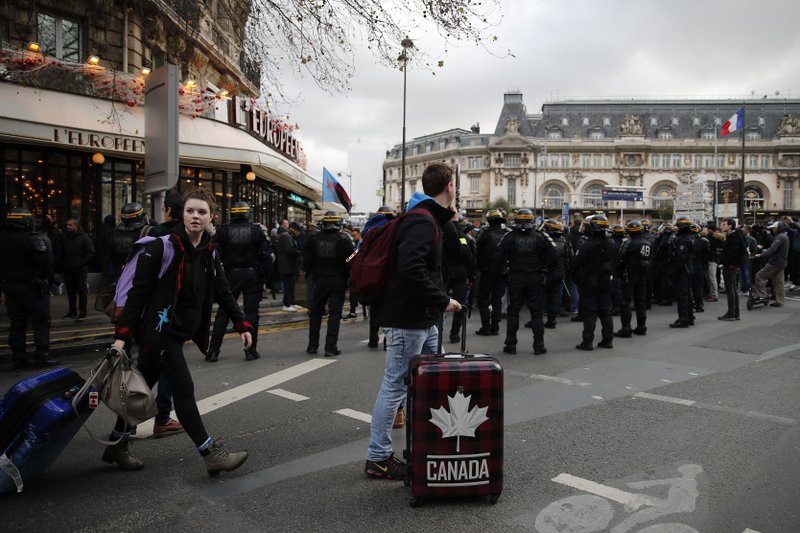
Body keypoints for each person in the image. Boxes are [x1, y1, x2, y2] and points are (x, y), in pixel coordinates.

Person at [103, 189, 254, 476]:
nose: (195, 216)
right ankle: (211, 454)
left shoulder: (209, 250)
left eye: (201, 212)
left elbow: (222, 290)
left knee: (142, 389)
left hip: (177, 330)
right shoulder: (162, 248)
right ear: (182, 214)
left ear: (212, 217)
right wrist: (123, 335)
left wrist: (242, 323)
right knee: (183, 390)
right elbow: (139, 293)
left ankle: (116, 445)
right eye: (190, 211)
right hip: (159, 333)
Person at [365, 162, 462, 480]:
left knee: (434, 375)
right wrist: (442, 300)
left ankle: (433, 438)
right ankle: (378, 457)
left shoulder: (427, 218)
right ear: (450, 186)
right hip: (410, 318)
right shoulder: (423, 221)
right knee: (394, 384)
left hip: (423, 319)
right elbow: (410, 269)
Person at [207, 201, 273, 362]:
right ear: (248, 214)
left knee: (224, 311)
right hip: (252, 275)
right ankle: (251, 350)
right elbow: (266, 256)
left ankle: (213, 351)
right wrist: (270, 279)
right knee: (251, 313)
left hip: (230, 275)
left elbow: (214, 254)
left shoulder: (223, 231)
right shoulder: (256, 231)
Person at [0, 208, 60, 369]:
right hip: (33, 287)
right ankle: (42, 355)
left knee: (17, 322)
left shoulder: (3, 239)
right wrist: (52, 280)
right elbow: (45, 262)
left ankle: (18, 356)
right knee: (40, 321)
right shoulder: (34, 239)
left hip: (11, 287)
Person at [495, 209, 556, 355]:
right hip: (535, 277)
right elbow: (553, 256)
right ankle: (539, 345)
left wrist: (504, 271)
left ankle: (511, 344)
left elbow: (498, 257)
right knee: (536, 312)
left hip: (516, 277)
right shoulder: (541, 237)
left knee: (513, 311)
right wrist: (545, 270)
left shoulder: (509, 237)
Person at [304, 212, 355, 356]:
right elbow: (351, 258)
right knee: (335, 314)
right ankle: (330, 347)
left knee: (315, 313)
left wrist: (310, 272)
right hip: (337, 280)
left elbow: (307, 259)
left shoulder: (314, 238)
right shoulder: (345, 238)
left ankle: (312, 345)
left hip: (319, 279)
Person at [571, 214, 615, 350]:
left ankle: (588, 341)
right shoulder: (610, 243)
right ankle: (607, 340)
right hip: (606, 282)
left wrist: (577, 279)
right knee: (605, 312)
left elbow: (576, 263)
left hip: (590, 283)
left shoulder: (587, 244)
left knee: (590, 313)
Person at [361, 206, 397, 348]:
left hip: (372, 272)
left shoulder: (368, 230)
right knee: (389, 307)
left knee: (375, 307)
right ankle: (388, 340)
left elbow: (360, 251)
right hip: (388, 273)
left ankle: (373, 338)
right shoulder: (392, 229)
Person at [475, 209, 508, 336]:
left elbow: (476, 250)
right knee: (497, 298)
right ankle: (495, 326)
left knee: (483, 298)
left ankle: (486, 326)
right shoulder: (506, 233)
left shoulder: (484, 233)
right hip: (502, 271)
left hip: (487, 271)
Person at [615, 220, 651, 337]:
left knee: (626, 302)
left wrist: (618, 273)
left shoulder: (628, 243)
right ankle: (642, 326)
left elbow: (620, 259)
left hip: (629, 275)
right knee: (640, 302)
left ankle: (626, 328)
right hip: (642, 275)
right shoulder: (647, 243)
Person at [443, 214, 474, 343]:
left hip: (445, 273)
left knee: (440, 304)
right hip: (460, 274)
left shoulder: (441, 234)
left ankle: (437, 332)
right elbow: (468, 255)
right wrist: (471, 276)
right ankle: (454, 334)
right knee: (460, 306)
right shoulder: (463, 237)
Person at [61, 218, 95, 319]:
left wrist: (81, 263)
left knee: (81, 290)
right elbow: (61, 252)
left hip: (80, 269)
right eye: (67, 225)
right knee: (70, 291)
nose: (68, 227)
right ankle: (72, 310)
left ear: (76, 226)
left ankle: (82, 311)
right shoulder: (64, 237)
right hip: (68, 268)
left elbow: (91, 252)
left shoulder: (84, 237)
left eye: (70, 225)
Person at [541, 219, 572, 329]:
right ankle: (552, 320)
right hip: (559, 272)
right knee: (555, 297)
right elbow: (568, 257)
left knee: (539, 296)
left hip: (546, 272)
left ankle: (536, 319)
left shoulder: (543, 240)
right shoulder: (564, 240)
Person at [753, 220, 790, 308]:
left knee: (759, 276)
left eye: (774, 228)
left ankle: (762, 296)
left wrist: (761, 255)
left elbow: (773, 248)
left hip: (774, 262)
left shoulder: (779, 237)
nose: (772, 230)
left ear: (778, 228)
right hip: (782, 262)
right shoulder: (784, 236)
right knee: (778, 282)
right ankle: (779, 301)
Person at [718, 218, 748, 320]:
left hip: (730, 266)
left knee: (730, 290)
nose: (722, 226)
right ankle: (736, 313)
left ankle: (731, 314)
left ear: (730, 226)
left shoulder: (733, 236)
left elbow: (732, 252)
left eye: (724, 224)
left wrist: (725, 263)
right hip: (735, 265)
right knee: (733, 290)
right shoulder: (737, 234)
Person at [669, 218, 695, 328]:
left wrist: (674, 272)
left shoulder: (683, 240)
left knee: (682, 295)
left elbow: (680, 258)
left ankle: (683, 318)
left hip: (683, 270)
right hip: (688, 268)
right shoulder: (691, 237)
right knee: (687, 294)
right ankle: (689, 317)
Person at [277, 221, 303, 312]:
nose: (298, 233)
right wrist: (300, 254)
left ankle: (291, 302)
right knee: (288, 285)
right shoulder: (286, 237)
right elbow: (290, 250)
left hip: (289, 265)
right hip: (286, 265)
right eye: (298, 231)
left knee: (291, 284)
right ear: (294, 230)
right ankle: (286, 304)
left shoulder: (288, 236)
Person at [705, 221, 722, 302]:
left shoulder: (715, 238)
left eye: (708, 229)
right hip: (710, 259)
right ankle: (711, 294)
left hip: (713, 259)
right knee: (710, 278)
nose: (707, 230)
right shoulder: (712, 237)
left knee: (712, 278)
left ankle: (714, 295)